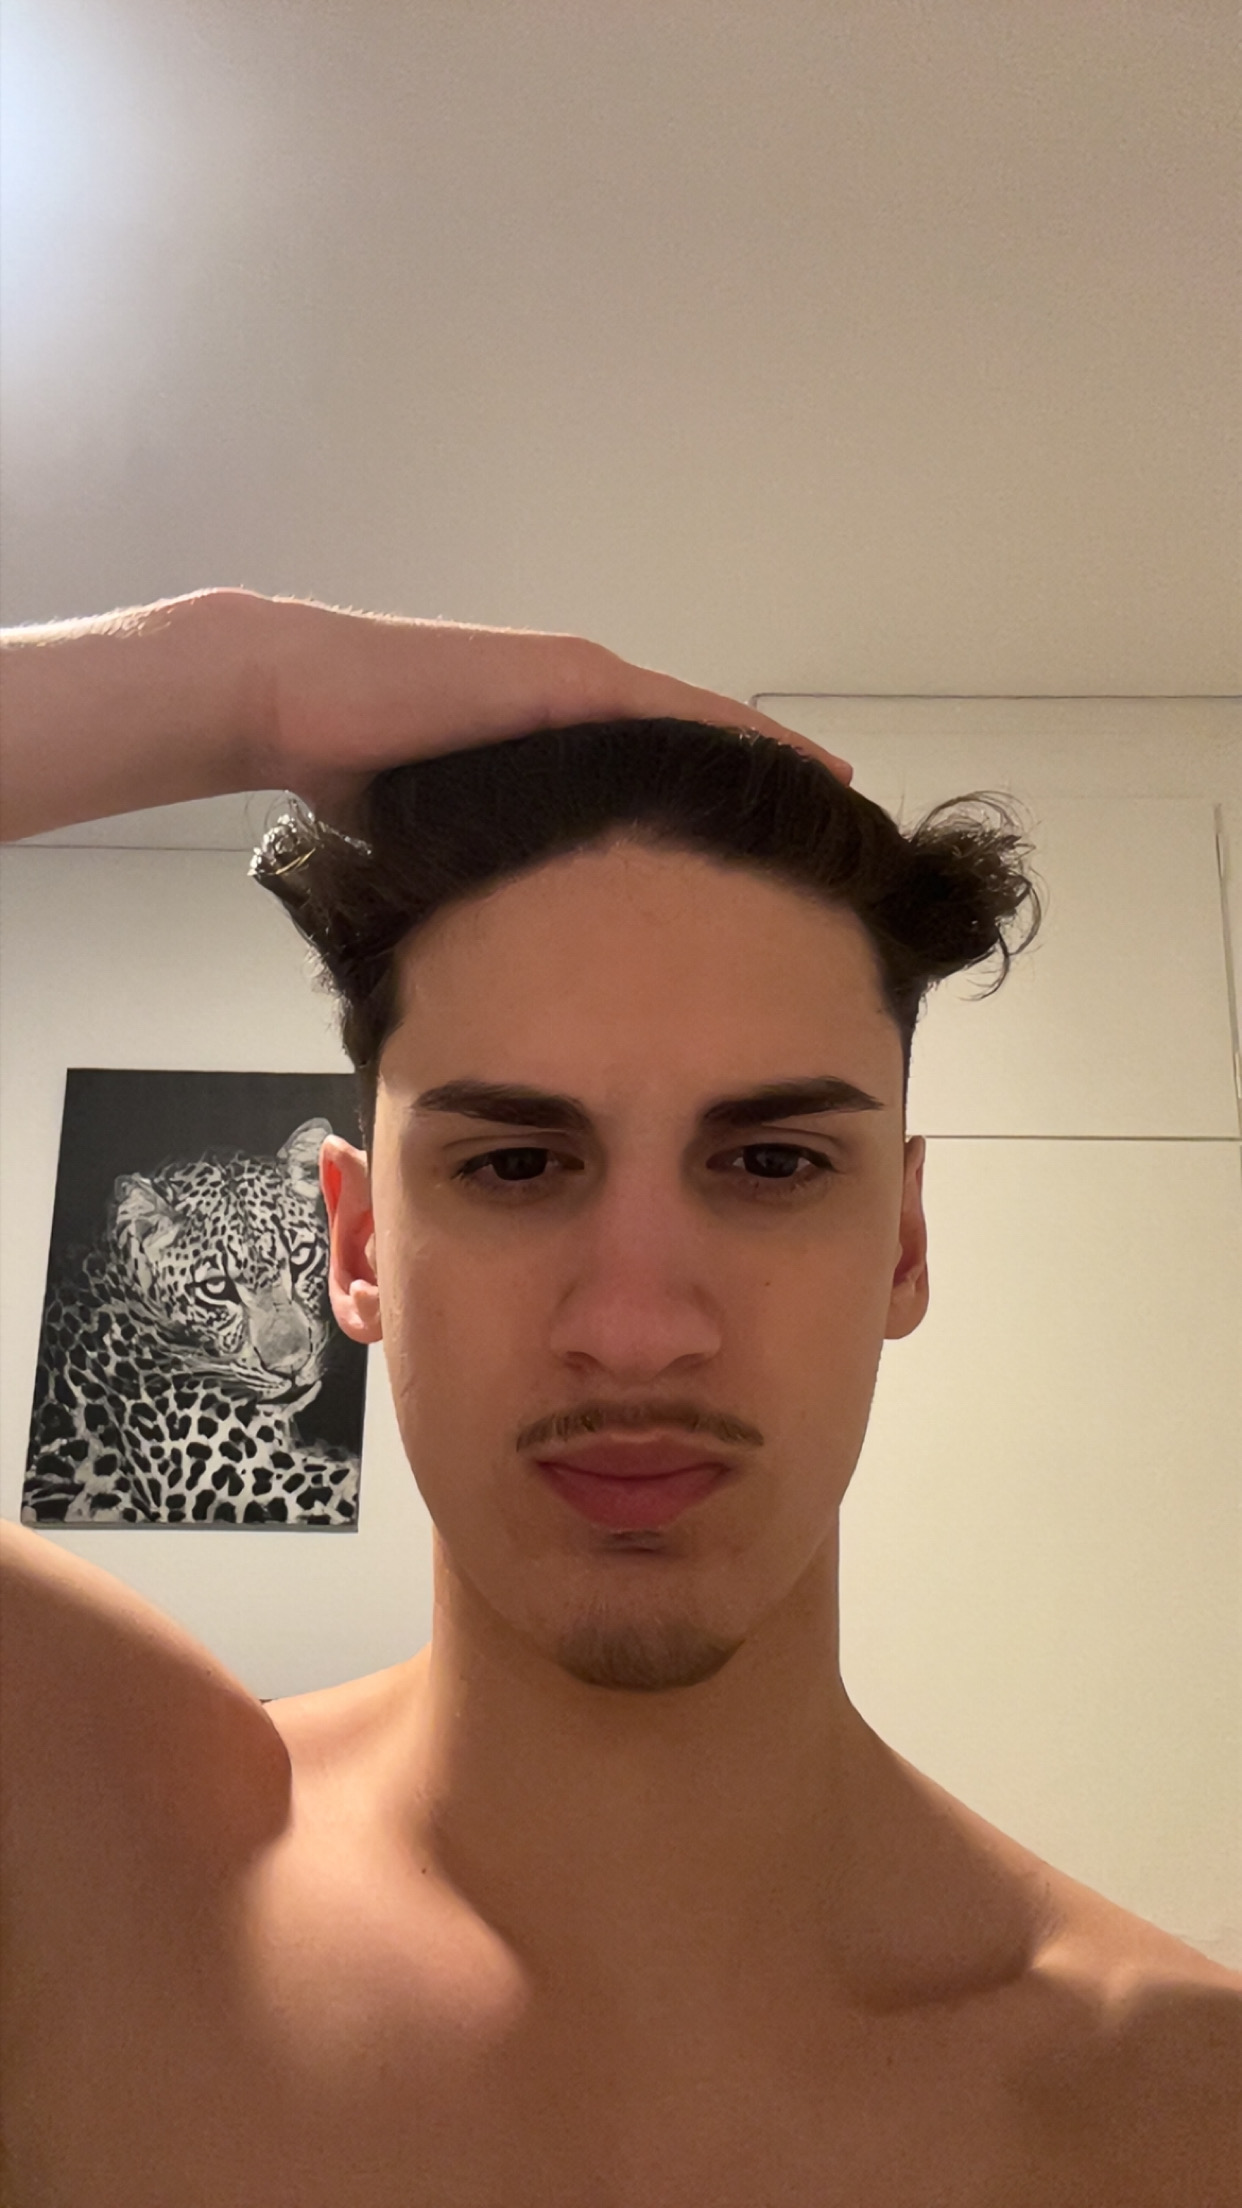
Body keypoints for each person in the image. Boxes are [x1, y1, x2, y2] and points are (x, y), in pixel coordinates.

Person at [0, 587, 1237, 2206]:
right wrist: (240, 678)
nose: (636, 1333)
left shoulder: (1177, 2112)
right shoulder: (91, 1868)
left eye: (771, 1163)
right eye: (515, 1165)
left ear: (902, 1245)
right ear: (358, 1248)